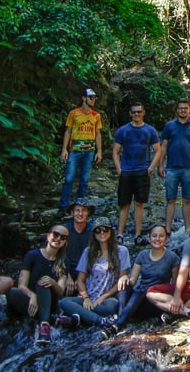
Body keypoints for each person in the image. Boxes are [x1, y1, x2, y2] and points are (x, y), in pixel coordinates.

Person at [98, 224, 181, 337]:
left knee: (141, 291)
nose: (157, 239)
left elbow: (175, 285)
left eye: (161, 236)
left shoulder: (172, 257)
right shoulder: (142, 255)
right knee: (124, 287)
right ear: (149, 238)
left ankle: (118, 324)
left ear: (166, 239)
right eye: (154, 236)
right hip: (137, 301)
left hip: (155, 300)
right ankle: (123, 317)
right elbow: (132, 280)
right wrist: (124, 278)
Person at [57, 216, 131, 327]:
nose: (102, 233)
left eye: (105, 229)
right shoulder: (88, 252)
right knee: (64, 302)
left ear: (111, 231)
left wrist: (102, 297)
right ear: (94, 234)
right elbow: (80, 280)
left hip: (106, 300)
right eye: (98, 230)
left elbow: (121, 281)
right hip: (87, 298)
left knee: (113, 306)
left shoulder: (122, 251)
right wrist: (86, 298)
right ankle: (99, 320)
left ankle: (79, 317)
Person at [6, 225, 68, 346]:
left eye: (63, 237)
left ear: (65, 242)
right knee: (12, 293)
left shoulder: (64, 261)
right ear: (48, 235)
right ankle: (52, 319)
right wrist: (32, 296)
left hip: (51, 302)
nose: (58, 238)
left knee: (43, 282)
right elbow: (21, 285)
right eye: (56, 234)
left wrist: (53, 283)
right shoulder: (33, 255)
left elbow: (61, 293)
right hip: (31, 301)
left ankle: (44, 326)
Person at [112, 102, 161, 246]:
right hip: (126, 171)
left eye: (139, 112)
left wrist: (151, 168)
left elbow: (158, 150)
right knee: (124, 204)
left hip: (142, 171)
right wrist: (118, 168)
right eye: (134, 112)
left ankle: (137, 235)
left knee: (139, 204)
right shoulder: (123, 130)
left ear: (143, 113)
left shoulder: (150, 130)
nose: (136, 114)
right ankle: (120, 234)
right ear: (130, 113)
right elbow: (115, 151)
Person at [153, 99, 190, 232]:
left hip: (189, 168)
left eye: (185, 108)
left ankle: (188, 228)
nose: (183, 110)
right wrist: (160, 165)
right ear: (177, 110)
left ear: (189, 109)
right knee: (170, 199)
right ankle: (167, 229)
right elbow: (163, 146)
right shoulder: (169, 126)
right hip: (172, 168)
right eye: (180, 108)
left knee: (187, 199)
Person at [58, 88, 103, 216]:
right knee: (69, 179)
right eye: (91, 97)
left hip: (89, 152)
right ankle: (63, 207)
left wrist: (99, 152)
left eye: (95, 98)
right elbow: (68, 131)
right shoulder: (73, 113)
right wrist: (64, 149)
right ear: (84, 98)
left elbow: (98, 134)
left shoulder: (96, 116)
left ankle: (79, 206)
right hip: (75, 150)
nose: (93, 100)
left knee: (84, 180)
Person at [62, 199, 94, 294]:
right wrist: (66, 275)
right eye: (77, 210)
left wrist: (81, 278)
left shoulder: (94, 232)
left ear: (88, 213)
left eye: (83, 210)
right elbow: (56, 255)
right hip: (65, 269)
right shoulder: (64, 230)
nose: (80, 214)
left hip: (87, 270)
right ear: (72, 213)